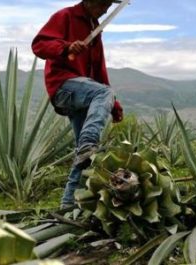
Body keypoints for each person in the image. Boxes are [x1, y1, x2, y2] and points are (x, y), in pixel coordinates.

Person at [32, 0, 124, 209]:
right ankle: (89, 143)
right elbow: (39, 45)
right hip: (64, 86)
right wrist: (65, 47)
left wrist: (114, 104)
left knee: (85, 157)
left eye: (108, 7)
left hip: (85, 93)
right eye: (102, 5)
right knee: (88, 144)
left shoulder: (95, 30)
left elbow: (99, 71)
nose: (104, 10)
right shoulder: (65, 16)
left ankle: (67, 206)